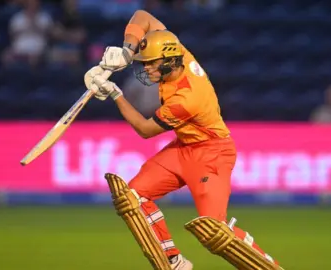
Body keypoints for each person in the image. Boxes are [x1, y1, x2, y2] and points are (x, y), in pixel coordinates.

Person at [83, 10, 283, 270]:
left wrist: (114, 93)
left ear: (167, 61)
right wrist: (126, 51)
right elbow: (143, 17)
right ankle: (172, 261)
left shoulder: (186, 100)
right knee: (132, 198)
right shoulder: (180, 54)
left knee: (214, 231)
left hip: (212, 154)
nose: (144, 68)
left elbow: (145, 130)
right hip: (183, 148)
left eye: (149, 63)